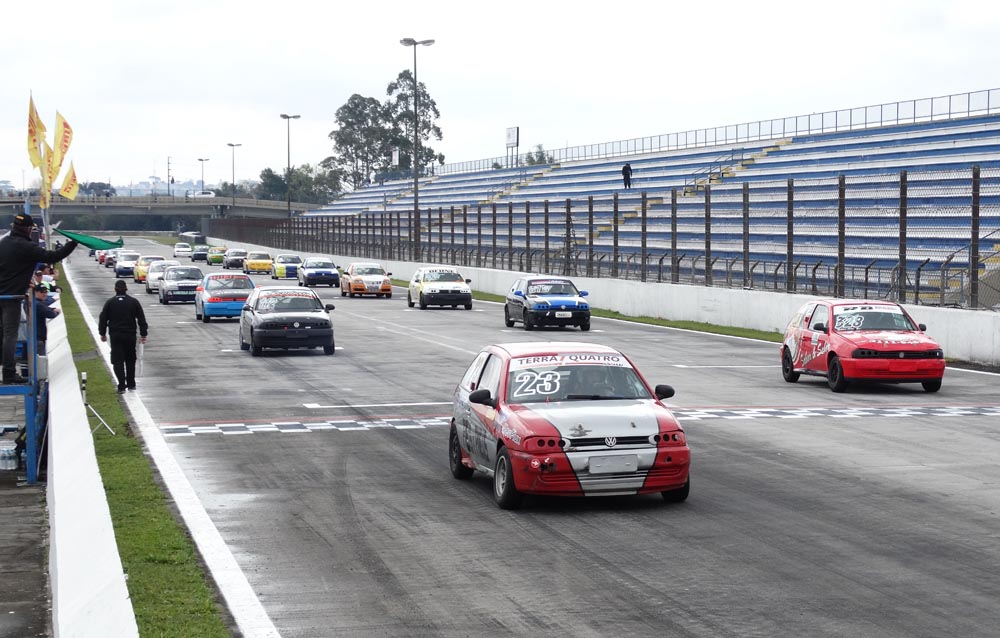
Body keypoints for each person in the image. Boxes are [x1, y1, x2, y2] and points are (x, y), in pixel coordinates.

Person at [0, 212, 78, 384]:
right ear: (29, 229)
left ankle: (5, 367)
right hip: (11, 297)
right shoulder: (26, 247)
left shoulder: (3, 242)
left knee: (2, 334)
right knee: (10, 335)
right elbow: (52, 257)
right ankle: (8, 373)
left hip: (3, 293)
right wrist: (72, 244)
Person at [98, 280, 148, 393]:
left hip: (116, 335)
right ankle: (131, 383)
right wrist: (143, 334)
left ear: (115, 289)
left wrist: (102, 333)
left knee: (117, 360)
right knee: (130, 359)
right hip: (130, 335)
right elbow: (141, 318)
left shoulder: (110, 303)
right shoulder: (133, 302)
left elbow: (103, 319)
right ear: (126, 289)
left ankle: (121, 385)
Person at [32, 285, 59, 356]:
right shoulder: (37, 304)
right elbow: (51, 314)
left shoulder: (32, 302)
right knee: (40, 358)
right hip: (38, 337)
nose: (45, 294)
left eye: (46, 292)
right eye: (42, 292)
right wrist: (56, 312)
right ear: (36, 292)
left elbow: (45, 308)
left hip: (32, 336)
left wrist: (52, 309)